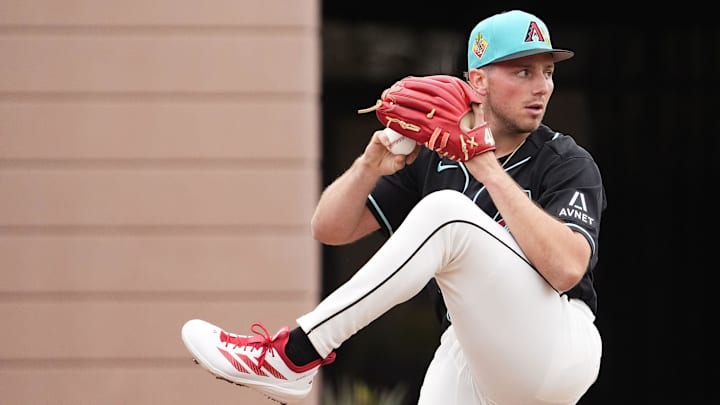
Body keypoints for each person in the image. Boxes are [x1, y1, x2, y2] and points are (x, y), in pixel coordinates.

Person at [181, 9, 606, 405]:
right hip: (474, 353)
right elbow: (328, 228)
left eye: (548, 71)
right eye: (523, 71)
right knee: (448, 249)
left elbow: (568, 269)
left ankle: (294, 354)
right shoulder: (435, 157)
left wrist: (489, 170)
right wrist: (368, 166)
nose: (542, 86)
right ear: (478, 81)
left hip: (558, 347)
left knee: (446, 212)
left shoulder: (566, 161)